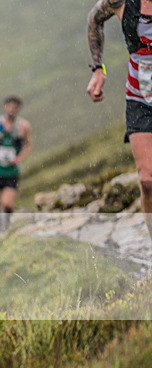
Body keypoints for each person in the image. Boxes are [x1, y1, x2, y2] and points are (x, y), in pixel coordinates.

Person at [87, 0, 152, 238]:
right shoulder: (120, 2)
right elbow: (94, 19)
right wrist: (98, 70)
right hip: (140, 98)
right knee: (146, 180)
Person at [0, 96, 33, 232]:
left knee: (6, 203)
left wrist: (19, 158)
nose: (12, 110)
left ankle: (10, 226)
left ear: (19, 109)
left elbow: (28, 145)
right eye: (10, 106)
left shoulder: (23, 126)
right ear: (5, 107)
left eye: (15, 107)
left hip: (12, 171)